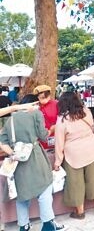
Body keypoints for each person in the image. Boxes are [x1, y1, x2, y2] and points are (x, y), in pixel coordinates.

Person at [0, 94, 66, 231]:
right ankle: (48, 224)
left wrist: (13, 153)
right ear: (33, 104)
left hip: (18, 160)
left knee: (22, 194)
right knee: (45, 188)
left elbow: (2, 142)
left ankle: (23, 225)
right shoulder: (36, 114)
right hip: (35, 156)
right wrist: (51, 130)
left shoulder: (11, 120)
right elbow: (43, 135)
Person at [54, 92, 94, 219]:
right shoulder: (86, 111)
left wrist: (58, 161)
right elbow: (92, 126)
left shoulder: (62, 119)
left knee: (75, 182)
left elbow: (59, 142)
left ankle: (80, 211)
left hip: (73, 154)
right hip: (91, 148)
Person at [34, 85, 58, 150]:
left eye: (45, 97)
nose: (43, 99)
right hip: (41, 137)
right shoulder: (35, 106)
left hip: (55, 134)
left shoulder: (56, 104)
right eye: (41, 97)